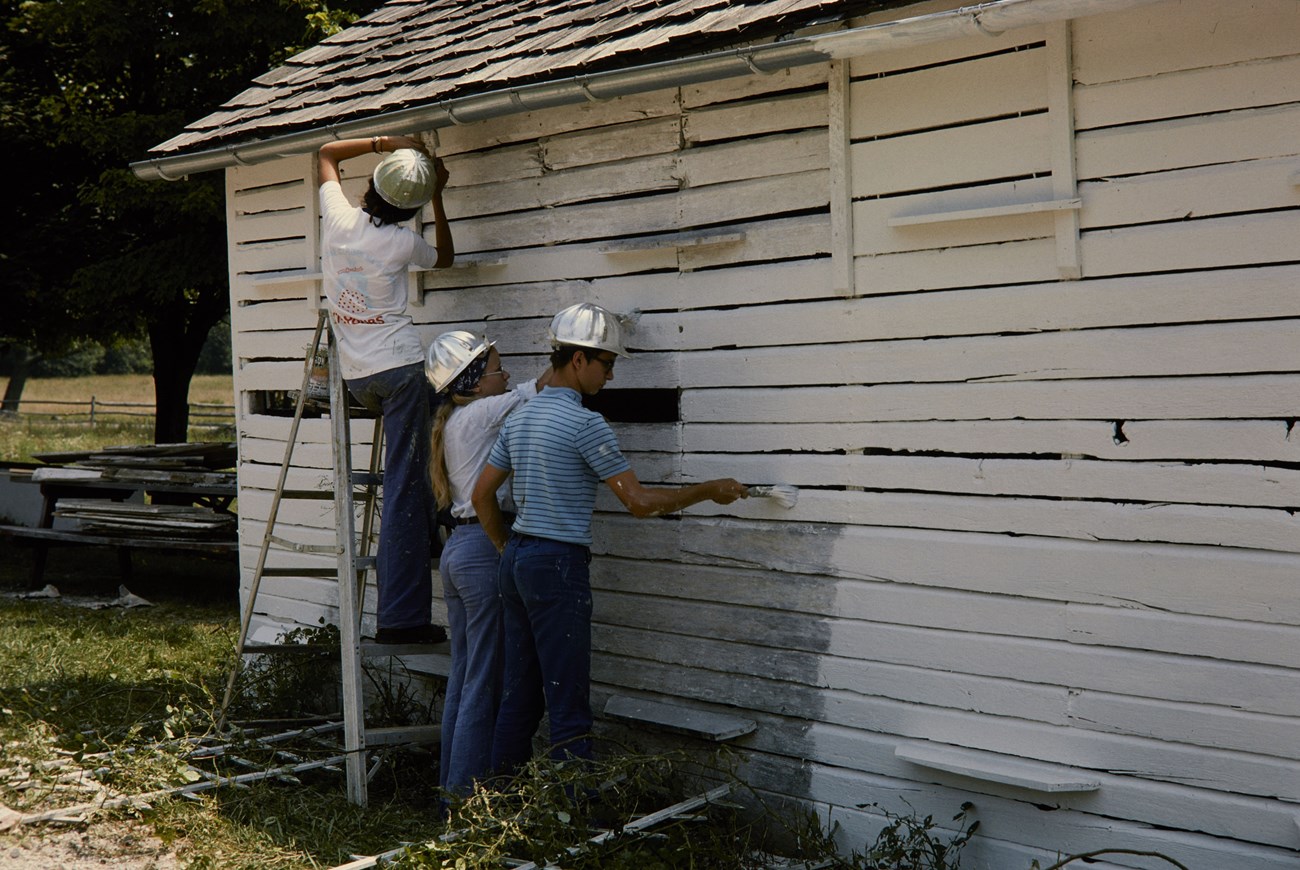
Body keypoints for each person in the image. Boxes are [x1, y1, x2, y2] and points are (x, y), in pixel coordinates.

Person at [471, 302, 748, 773]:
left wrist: (508, 551)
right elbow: (638, 503)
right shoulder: (584, 424)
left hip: (518, 561)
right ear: (579, 359)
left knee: (519, 694)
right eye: (607, 364)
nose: (611, 378)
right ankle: (575, 816)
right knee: (568, 701)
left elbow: (481, 497)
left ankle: (496, 810)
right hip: (557, 565)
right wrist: (706, 490)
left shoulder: (520, 418)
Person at [317, 134, 454, 645]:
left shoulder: (340, 219)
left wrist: (384, 141)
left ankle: (433, 526)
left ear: (372, 185)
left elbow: (327, 154)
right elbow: (443, 258)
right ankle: (401, 619)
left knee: (419, 466)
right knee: (405, 488)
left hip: (358, 377)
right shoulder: (401, 242)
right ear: (412, 206)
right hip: (400, 373)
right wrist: (438, 194)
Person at [426, 330, 552, 796]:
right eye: (499, 369)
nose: (507, 375)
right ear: (476, 382)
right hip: (482, 545)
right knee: (485, 682)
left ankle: (450, 793)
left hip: (458, 547)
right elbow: (544, 384)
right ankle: (466, 802)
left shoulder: (457, 419)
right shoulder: (482, 413)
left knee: (464, 678)